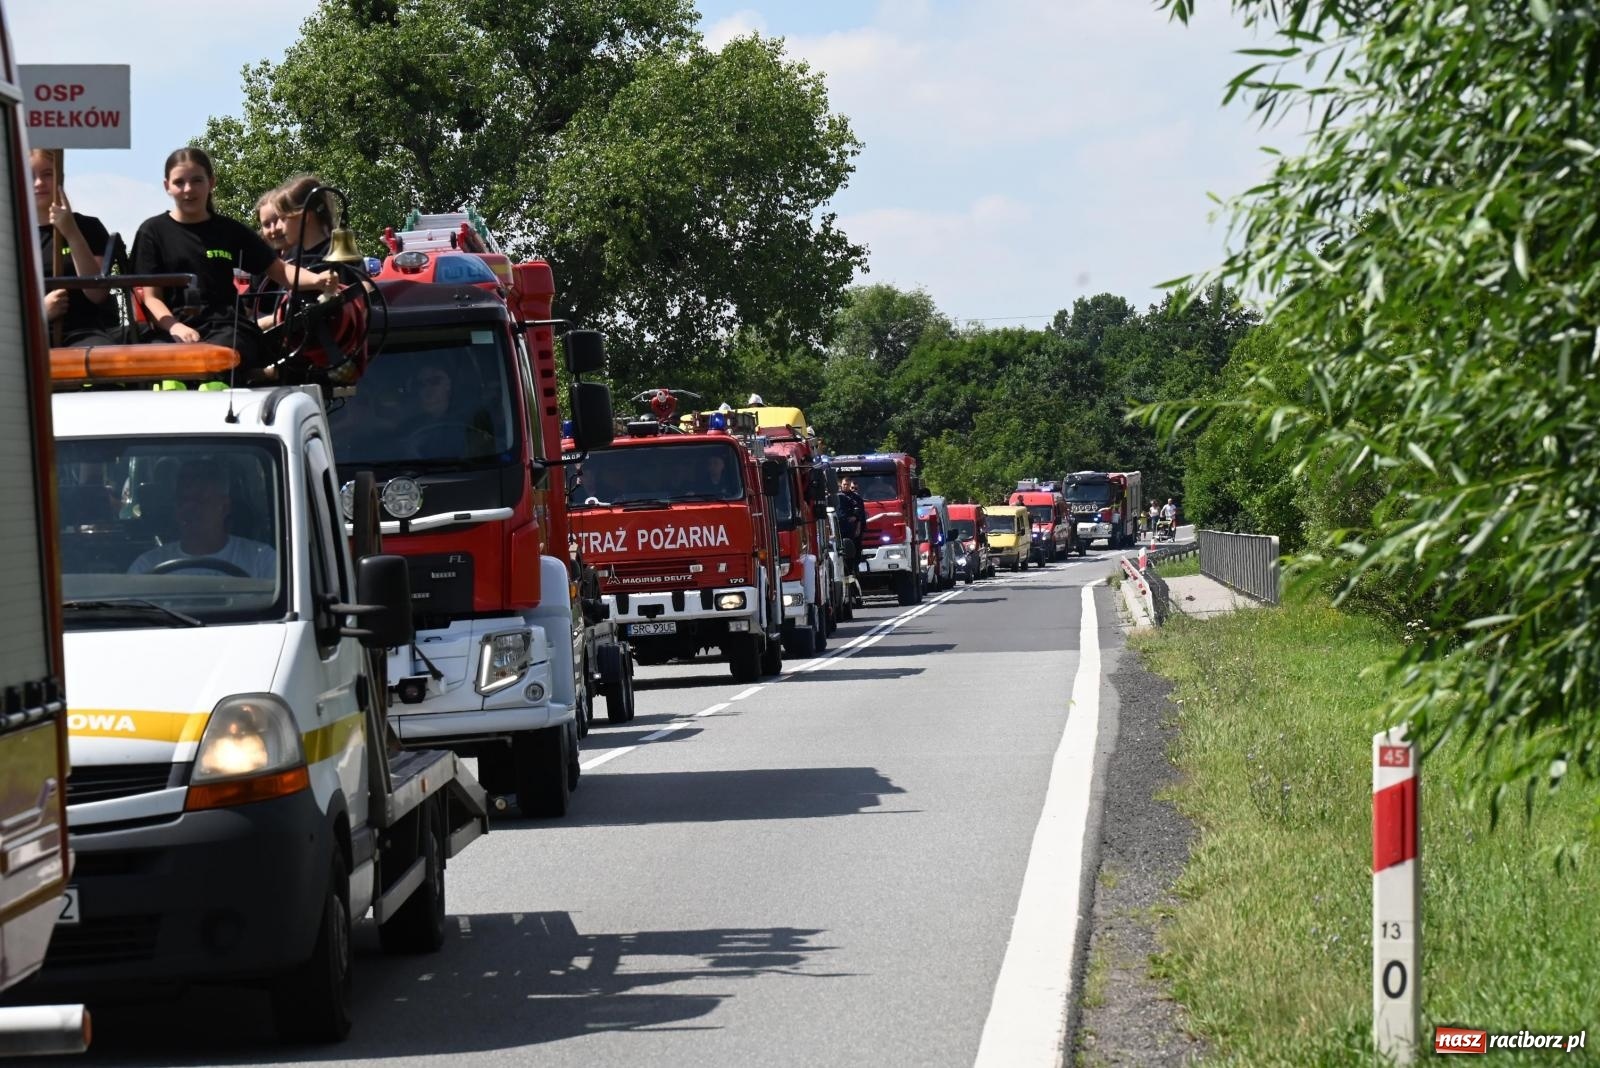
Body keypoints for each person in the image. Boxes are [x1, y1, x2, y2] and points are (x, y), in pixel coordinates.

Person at [130, 148, 338, 373]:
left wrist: (318, 280)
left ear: (211, 182)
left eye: (197, 180)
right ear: (167, 186)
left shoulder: (231, 231)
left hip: (227, 331)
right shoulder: (152, 232)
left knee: (227, 353)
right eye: (179, 182)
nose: (188, 189)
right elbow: (151, 298)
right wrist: (175, 327)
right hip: (171, 333)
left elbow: (281, 271)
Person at [129, 459, 276, 579]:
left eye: (200, 500)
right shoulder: (147, 566)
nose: (189, 509)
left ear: (224, 507)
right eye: (183, 501)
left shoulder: (262, 560)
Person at [32, 149, 119, 345]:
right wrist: (38, 312)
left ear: (60, 177)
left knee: (103, 356)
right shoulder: (12, 235)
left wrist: (71, 232)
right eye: (30, 176)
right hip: (27, 333)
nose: (39, 183)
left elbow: (97, 293)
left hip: (84, 333)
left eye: (47, 174)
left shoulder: (89, 227)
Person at [836, 476, 869, 574]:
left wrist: (858, 526)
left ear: (850, 485)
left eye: (847, 485)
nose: (845, 486)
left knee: (855, 548)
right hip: (839, 527)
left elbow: (860, 514)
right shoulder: (836, 497)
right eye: (844, 484)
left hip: (851, 528)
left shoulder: (856, 498)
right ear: (841, 484)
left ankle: (854, 568)